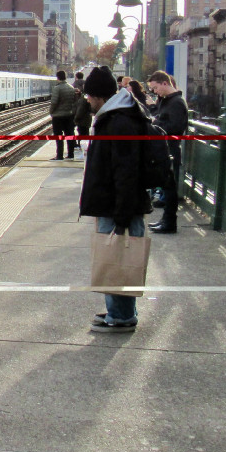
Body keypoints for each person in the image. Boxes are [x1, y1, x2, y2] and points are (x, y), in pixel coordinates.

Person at [79, 65, 152, 333]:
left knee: (117, 258)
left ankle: (121, 317)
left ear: (98, 96)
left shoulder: (118, 120)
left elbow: (126, 170)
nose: (87, 100)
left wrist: (121, 213)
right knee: (118, 260)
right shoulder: (119, 115)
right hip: (116, 201)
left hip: (118, 203)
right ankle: (120, 310)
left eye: (88, 96)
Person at [148, 70, 188, 234]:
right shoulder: (168, 101)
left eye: (156, 88)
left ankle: (169, 222)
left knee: (170, 189)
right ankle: (166, 220)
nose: (155, 91)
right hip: (164, 148)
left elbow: (177, 127)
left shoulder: (177, 102)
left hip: (170, 148)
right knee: (167, 187)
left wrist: (156, 124)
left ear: (165, 83)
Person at [49, 70, 76, 160]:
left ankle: (59, 155)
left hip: (58, 116)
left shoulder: (57, 88)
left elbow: (54, 102)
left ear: (57, 78)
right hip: (69, 115)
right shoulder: (71, 88)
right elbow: (74, 101)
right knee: (69, 135)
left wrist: (51, 112)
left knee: (59, 136)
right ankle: (71, 154)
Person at [74, 86, 92, 154]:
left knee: (82, 135)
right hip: (86, 119)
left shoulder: (83, 98)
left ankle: (82, 150)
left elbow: (80, 110)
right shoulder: (85, 97)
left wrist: (76, 118)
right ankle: (85, 149)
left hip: (82, 120)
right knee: (85, 135)